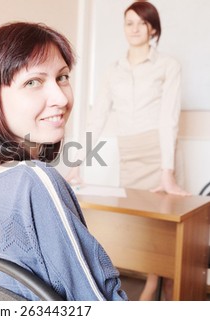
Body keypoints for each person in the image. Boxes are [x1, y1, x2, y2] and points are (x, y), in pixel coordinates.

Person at [0, 22, 128, 301]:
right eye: (33, 82)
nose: (60, 97)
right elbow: (94, 298)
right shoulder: (33, 181)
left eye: (63, 77)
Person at [66, 2, 189, 300]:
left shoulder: (168, 65)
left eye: (141, 23)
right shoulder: (113, 70)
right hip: (127, 151)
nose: (134, 29)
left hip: (159, 152)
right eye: (128, 23)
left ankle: (156, 282)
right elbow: (97, 119)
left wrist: (167, 172)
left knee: (164, 220)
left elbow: (168, 119)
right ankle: (143, 280)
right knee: (138, 220)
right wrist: (77, 164)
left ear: (153, 29)